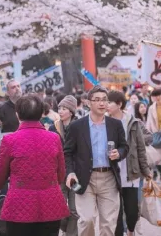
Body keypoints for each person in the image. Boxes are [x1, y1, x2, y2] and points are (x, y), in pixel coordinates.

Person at [0, 95, 70, 235]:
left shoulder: (9, 140)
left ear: (17, 114)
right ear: (41, 113)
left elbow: (0, 173)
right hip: (50, 203)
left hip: (19, 205)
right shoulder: (54, 138)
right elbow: (61, 174)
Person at [64, 85, 129, 236]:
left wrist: (118, 153)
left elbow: (124, 147)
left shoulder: (115, 125)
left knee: (108, 224)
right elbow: (67, 152)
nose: (102, 103)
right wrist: (70, 173)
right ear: (88, 103)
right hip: (84, 179)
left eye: (105, 100)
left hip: (109, 179)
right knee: (86, 220)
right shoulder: (76, 126)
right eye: (97, 100)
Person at [107, 90, 152, 236]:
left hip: (131, 173)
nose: (106, 105)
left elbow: (140, 148)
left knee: (132, 211)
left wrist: (145, 170)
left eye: (109, 102)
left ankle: (131, 231)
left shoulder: (132, 122)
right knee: (117, 212)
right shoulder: (105, 122)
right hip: (112, 173)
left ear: (119, 104)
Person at [51, 95, 79, 236]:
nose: (60, 111)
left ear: (71, 111)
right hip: (58, 174)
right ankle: (66, 229)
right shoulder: (53, 127)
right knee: (59, 208)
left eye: (64, 108)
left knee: (74, 209)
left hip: (75, 174)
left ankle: (71, 234)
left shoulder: (80, 126)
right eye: (59, 108)